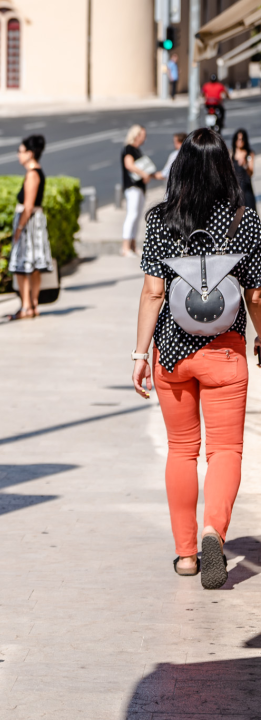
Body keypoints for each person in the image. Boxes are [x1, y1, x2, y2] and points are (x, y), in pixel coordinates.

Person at [132, 128, 261, 590]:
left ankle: (187, 555)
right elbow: (257, 293)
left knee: (182, 451)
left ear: (180, 168)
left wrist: (140, 353)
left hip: (173, 353)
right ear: (225, 168)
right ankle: (214, 533)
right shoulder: (245, 221)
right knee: (225, 449)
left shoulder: (161, 220)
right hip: (225, 352)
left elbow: (153, 292)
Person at [7, 135, 51, 320]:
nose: (18, 154)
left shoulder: (32, 174)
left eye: (21, 151)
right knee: (32, 266)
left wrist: (19, 229)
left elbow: (28, 206)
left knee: (23, 265)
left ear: (30, 154)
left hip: (29, 223)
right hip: (35, 222)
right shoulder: (37, 172)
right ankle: (33, 305)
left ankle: (27, 306)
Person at [122, 124, 154, 256]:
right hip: (132, 186)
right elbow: (129, 165)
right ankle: (125, 247)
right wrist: (143, 174)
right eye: (143, 135)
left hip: (140, 187)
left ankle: (133, 245)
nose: (144, 138)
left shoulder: (137, 150)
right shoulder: (129, 149)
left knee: (137, 216)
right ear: (136, 136)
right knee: (132, 215)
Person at [232, 128, 256, 210]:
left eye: (242, 139)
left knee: (249, 211)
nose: (240, 141)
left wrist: (245, 164)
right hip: (236, 189)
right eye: (238, 139)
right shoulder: (231, 154)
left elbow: (251, 173)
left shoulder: (249, 154)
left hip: (246, 189)